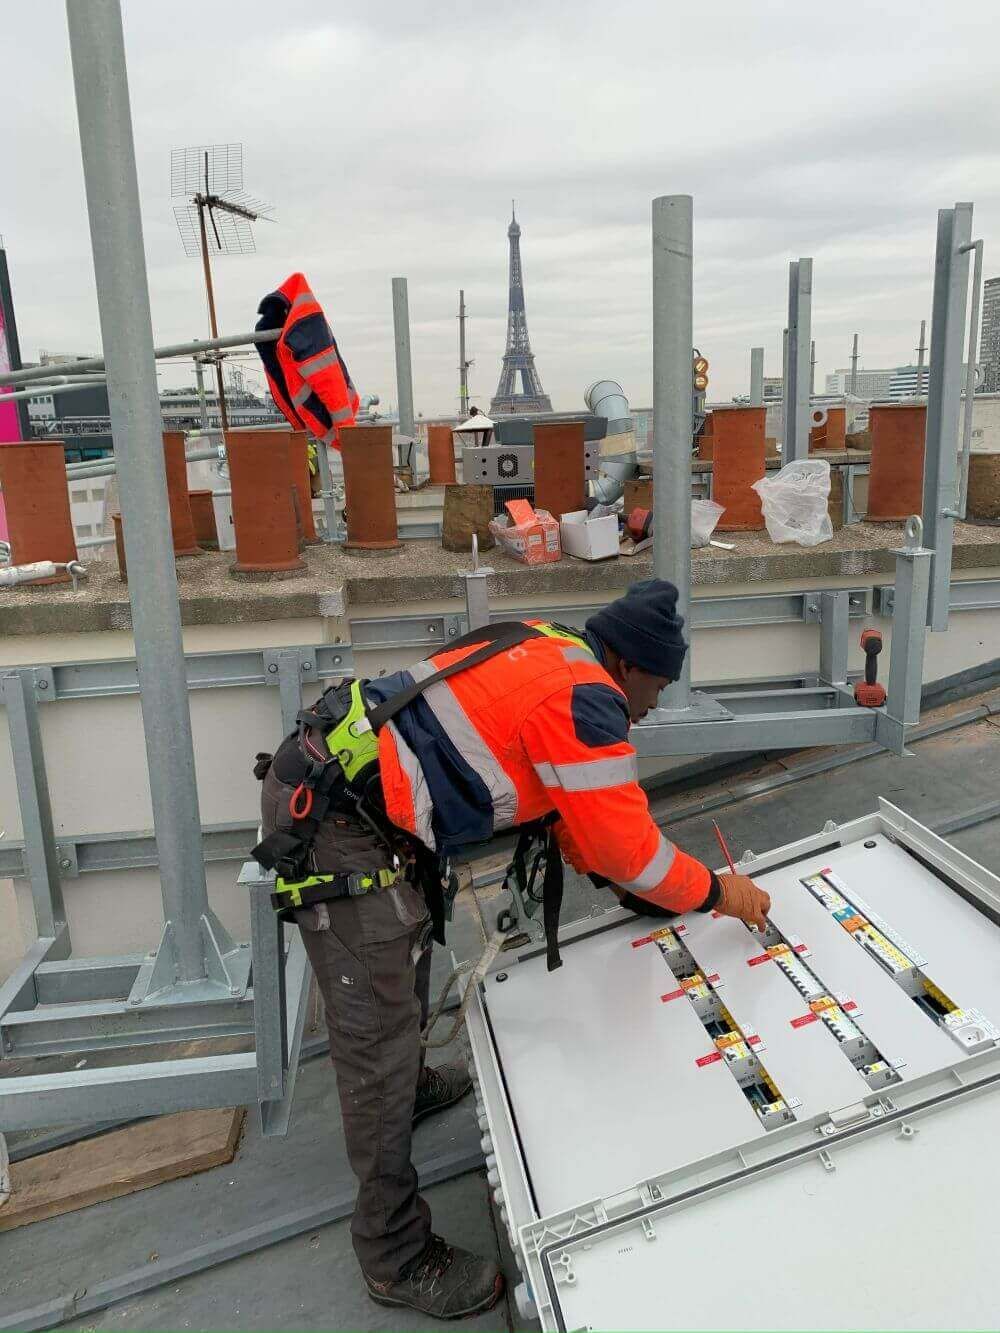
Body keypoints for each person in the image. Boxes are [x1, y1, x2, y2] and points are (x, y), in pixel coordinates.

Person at [255, 579, 770, 1320]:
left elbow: (579, 820)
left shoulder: (552, 642)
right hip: (340, 823)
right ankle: (394, 1253)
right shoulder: (587, 699)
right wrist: (719, 892)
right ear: (626, 664)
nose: (654, 704)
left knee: (399, 957)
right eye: (655, 684)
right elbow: (630, 852)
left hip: (358, 791)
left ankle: (410, 1076)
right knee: (373, 1037)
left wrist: (633, 877)